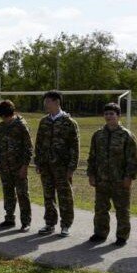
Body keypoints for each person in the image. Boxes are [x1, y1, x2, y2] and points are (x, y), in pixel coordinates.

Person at [87, 102, 137, 247]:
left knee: (122, 210)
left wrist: (129, 177)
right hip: (102, 179)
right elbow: (92, 156)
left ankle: (122, 236)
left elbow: (133, 159)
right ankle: (100, 233)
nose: (108, 116)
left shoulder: (126, 135)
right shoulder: (98, 135)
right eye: (106, 114)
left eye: (112, 114)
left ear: (118, 116)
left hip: (120, 180)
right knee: (100, 209)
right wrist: (91, 174)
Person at [34, 90, 79, 237]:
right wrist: (38, 162)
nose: (45, 104)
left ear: (57, 102)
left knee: (65, 196)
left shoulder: (69, 122)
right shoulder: (44, 121)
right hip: (46, 165)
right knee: (48, 195)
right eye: (45, 102)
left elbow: (74, 146)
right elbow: (39, 143)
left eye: (48, 101)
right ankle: (49, 223)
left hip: (62, 167)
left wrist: (72, 167)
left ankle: (66, 224)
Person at [0, 100, 33, 232]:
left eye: (7, 117)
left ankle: (26, 222)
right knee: (8, 193)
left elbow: (29, 148)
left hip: (19, 167)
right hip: (5, 166)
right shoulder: (0, 127)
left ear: (12, 113)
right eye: (3, 118)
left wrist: (25, 166)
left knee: (22, 194)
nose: (5, 120)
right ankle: (9, 219)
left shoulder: (21, 126)